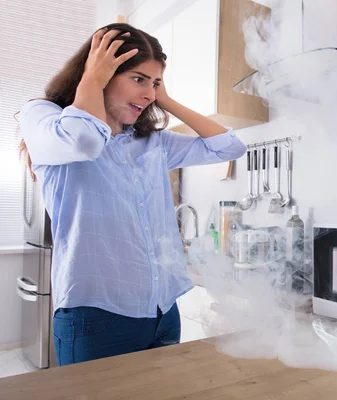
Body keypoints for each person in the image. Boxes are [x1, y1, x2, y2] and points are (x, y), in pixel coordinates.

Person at [18, 23, 246, 366]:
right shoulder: (47, 118)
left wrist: (165, 99)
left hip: (163, 311)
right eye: (139, 79)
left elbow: (229, 147)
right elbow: (85, 141)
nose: (149, 93)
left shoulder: (152, 142)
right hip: (97, 316)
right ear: (100, 70)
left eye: (155, 83)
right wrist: (92, 80)